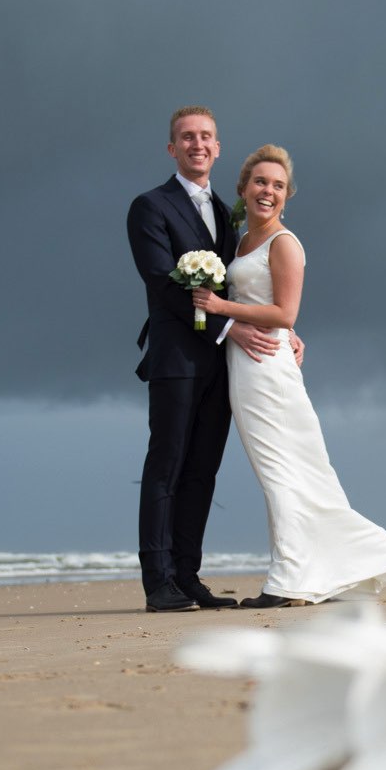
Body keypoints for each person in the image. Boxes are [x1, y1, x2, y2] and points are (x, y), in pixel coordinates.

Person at [192, 145, 386, 607]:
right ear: (243, 188)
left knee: (280, 472)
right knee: (286, 471)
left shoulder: (284, 243)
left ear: (287, 197)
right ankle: (320, 571)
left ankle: (288, 580)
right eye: (260, 182)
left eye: (278, 186)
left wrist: (222, 307)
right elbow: (276, 306)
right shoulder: (241, 240)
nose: (267, 191)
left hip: (267, 370)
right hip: (246, 368)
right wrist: (283, 327)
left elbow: (285, 309)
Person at [127, 106, 300, 613]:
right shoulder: (149, 207)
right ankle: (158, 581)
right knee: (167, 465)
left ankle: (188, 576)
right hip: (177, 358)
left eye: (206, 137)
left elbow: (249, 282)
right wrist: (230, 326)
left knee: (203, 471)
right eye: (186, 137)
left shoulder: (230, 214)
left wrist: (286, 328)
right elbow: (162, 282)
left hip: (225, 364)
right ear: (172, 149)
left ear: (217, 148)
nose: (197, 144)